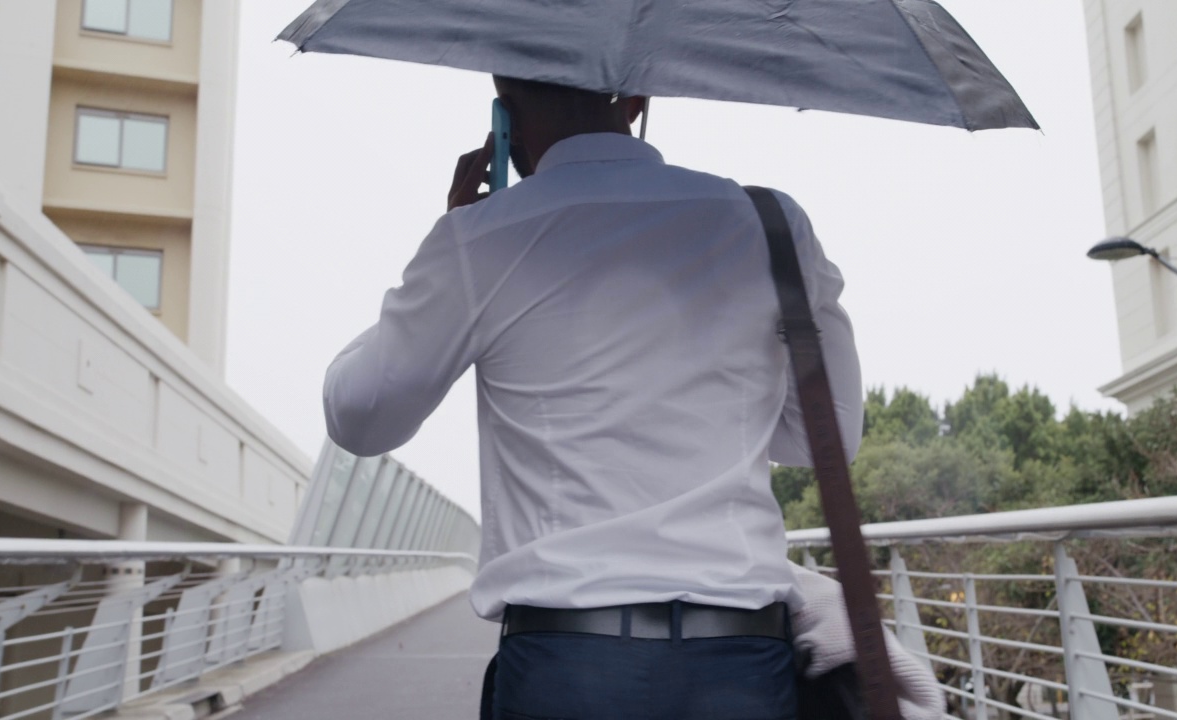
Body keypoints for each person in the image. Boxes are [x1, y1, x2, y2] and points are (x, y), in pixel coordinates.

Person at [322, 76, 863, 720]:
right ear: (637, 103)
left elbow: (361, 418)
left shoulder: (480, 238)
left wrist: (447, 257)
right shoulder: (772, 223)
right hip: (740, 663)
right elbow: (819, 437)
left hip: (568, 666)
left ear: (505, 113)